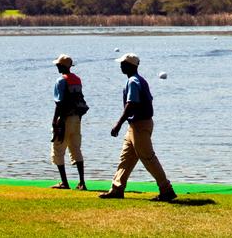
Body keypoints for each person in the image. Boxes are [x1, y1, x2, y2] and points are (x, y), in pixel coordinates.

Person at [99, 53, 177, 202]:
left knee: (148, 158)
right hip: (136, 125)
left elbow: (131, 104)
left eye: (123, 64)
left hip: (139, 125)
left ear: (130, 65)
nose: (121, 66)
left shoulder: (133, 81)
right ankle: (117, 189)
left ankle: (166, 190)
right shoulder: (139, 80)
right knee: (126, 158)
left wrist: (118, 123)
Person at [51, 54, 88, 190]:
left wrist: (55, 121)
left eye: (58, 64)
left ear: (62, 66)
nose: (57, 66)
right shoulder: (77, 79)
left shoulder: (60, 81)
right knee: (76, 149)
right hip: (77, 119)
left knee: (58, 149)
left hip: (64, 119)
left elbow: (59, 104)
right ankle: (82, 182)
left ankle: (64, 183)